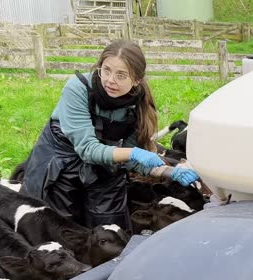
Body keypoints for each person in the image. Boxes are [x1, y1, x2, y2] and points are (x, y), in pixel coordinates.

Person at [20, 39, 199, 230]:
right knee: (62, 232)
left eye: (121, 75)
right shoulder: (78, 89)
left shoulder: (136, 105)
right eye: (106, 70)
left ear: (136, 80)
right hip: (59, 166)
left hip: (103, 166)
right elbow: (88, 149)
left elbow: (130, 159)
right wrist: (132, 152)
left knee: (111, 233)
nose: (110, 80)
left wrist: (170, 172)